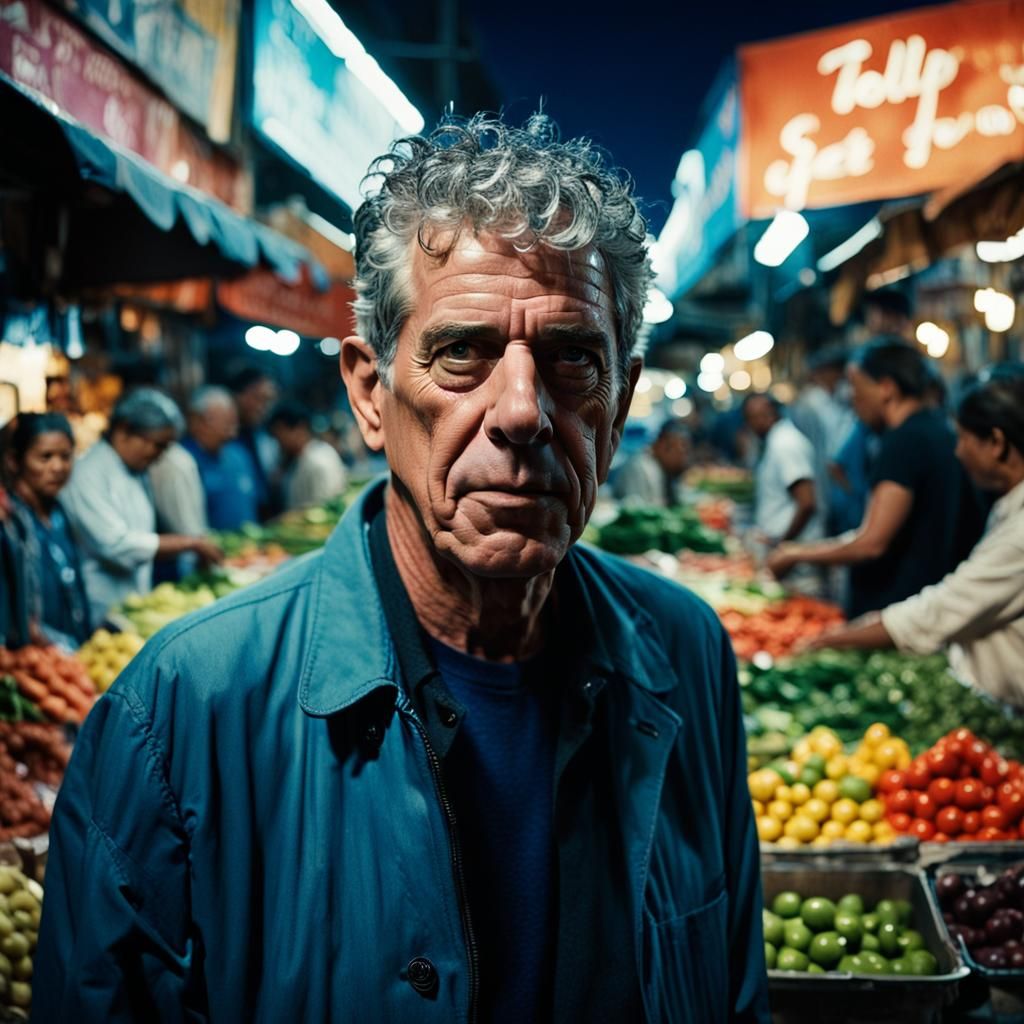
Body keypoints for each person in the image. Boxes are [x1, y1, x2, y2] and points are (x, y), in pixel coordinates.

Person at [36, 113, 769, 1024]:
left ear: (618, 409)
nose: (521, 412)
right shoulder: (182, 711)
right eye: (461, 353)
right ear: (369, 394)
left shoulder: (684, 654)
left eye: (574, 360)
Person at [807, 373, 1024, 706]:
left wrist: (834, 639)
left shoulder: (1018, 535)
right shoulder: (1008, 507)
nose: (958, 451)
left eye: (964, 438)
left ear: (996, 443)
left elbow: (943, 608)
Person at [767, 339, 982, 617]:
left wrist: (795, 553)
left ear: (886, 388)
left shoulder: (904, 441)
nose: (852, 400)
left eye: (856, 388)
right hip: (928, 605)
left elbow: (872, 542)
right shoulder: (939, 430)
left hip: (899, 610)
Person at [60, 389, 222, 626]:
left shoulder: (135, 472)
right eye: (157, 446)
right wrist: (191, 543)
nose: (160, 456)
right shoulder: (88, 474)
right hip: (102, 609)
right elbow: (116, 545)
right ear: (124, 431)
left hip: (135, 604)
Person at [3, 413, 91, 648]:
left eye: (66, 456)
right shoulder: (10, 524)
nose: (58, 467)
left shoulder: (61, 513)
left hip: (72, 654)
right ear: (14, 461)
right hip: (32, 660)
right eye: (45, 457)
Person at [743, 393, 822, 546]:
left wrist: (783, 544)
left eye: (757, 416)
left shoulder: (785, 444)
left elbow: (807, 502)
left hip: (797, 549)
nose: (754, 423)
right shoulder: (776, 440)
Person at [181, 387, 260, 530]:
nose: (233, 430)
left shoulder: (240, 455)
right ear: (197, 422)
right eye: (226, 422)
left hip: (249, 548)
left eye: (234, 422)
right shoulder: (184, 461)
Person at [267, 401, 349, 511]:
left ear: (300, 428)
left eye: (281, 433)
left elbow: (323, 510)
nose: (278, 441)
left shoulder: (318, 460)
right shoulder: (299, 459)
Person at [229, 367, 280, 520]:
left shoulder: (259, 436)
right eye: (260, 399)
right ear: (239, 395)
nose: (264, 408)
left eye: (269, 401)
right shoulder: (225, 441)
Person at [611, 418, 690, 506]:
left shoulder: (663, 469)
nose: (684, 459)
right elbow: (641, 511)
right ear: (662, 446)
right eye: (682, 452)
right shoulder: (641, 468)